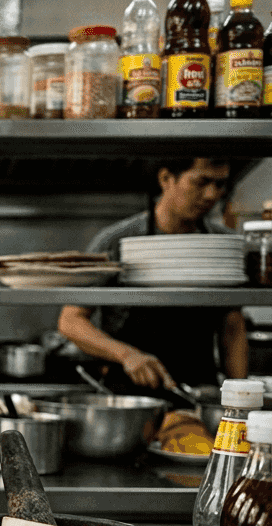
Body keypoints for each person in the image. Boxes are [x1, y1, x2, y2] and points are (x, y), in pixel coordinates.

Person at [58, 158, 247, 393]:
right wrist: (127, 355)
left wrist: (240, 398)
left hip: (199, 393)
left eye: (220, 185)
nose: (211, 195)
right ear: (166, 179)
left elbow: (232, 326)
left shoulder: (223, 245)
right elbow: (71, 320)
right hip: (130, 397)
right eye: (201, 182)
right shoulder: (117, 241)